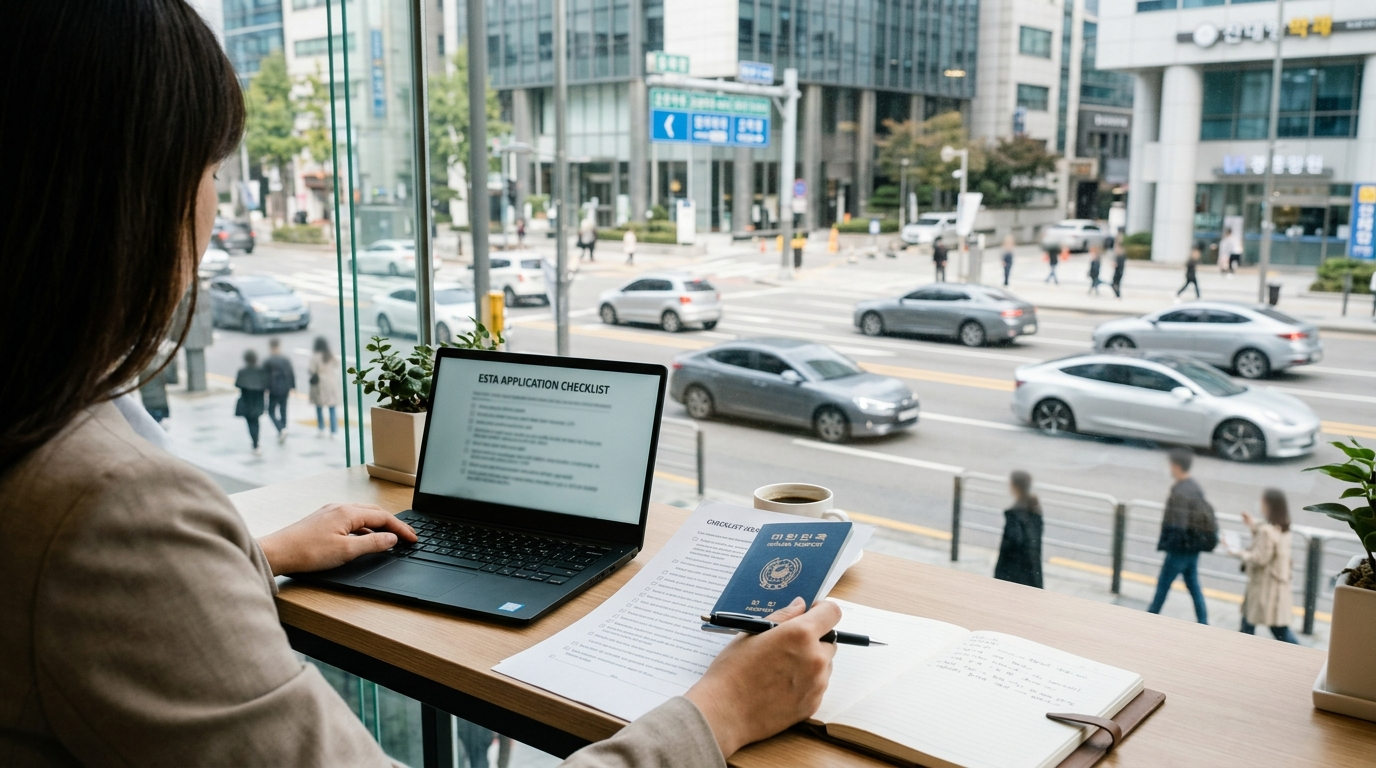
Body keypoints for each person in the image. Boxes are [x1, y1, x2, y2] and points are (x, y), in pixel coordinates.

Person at [0, 4, 841, 765]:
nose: (215, 204)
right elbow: (100, 568)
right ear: (131, 194)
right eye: (212, 169)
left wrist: (251, 559)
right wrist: (716, 711)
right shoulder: (112, 507)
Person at [1146, 448, 1218, 624]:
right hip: (1193, 546)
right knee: (1193, 585)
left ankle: (1148, 618)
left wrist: (1170, 543)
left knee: (1163, 584)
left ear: (1176, 466)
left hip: (1180, 549)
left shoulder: (1180, 492)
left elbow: (1179, 524)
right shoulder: (1194, 486)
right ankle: (1203, 621)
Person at [1222, 489, 1299, 643]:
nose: (1260, 505)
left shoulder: (1266, 531)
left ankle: (1304, 655)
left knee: (1273, 629)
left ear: (1269, 506)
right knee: (1264, 626)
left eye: (1262, 502)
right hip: (1276, 587)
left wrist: (1236, 551)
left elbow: (1260, 558)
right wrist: (1252, 523)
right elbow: (1268, 536)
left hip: (1264, 589)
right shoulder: (1283, 526)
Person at [994, 470, 1044, 588]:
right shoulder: (1035, 510)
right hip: (1032, 575)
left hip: (1013, 576)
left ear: (1014, 486)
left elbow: (1009, 548)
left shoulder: (1015, 515)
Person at [234, 349, 269, 455]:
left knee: (250, 423)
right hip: (258, 400)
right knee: (256, 422)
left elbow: (238, 385)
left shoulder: (242, 371)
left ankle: (255, 443)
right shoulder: (261, 370)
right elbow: (266, 385)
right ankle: (256, 442)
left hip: (246, 400)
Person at [308, 335, 342, 439]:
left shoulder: (315, 356)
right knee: (332, 407)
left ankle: (321, 429)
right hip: (331, 383)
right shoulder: (330, 355)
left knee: (319, 407)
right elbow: (337, 364)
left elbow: (311, 370)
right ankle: (333, 431)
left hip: (320, 384)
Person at [264, 337, 296, 444]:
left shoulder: (268, 361)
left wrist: (265, 389)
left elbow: (265, 377)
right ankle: (284, 428)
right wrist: (293, 386)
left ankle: (281, 428)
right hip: (285, 388)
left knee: (271, 411)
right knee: (283, 408)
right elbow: (291, 373)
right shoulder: (285, 360)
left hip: (273, 390)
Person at [138, 357, 173, 424]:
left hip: (148, 399)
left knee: (152, 418)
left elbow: (140, 386)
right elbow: (163, 382)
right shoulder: (158, 371)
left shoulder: (143, 373)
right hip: (159, 399)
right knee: (158, 418)